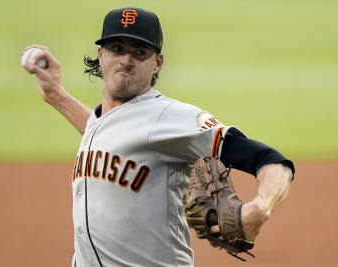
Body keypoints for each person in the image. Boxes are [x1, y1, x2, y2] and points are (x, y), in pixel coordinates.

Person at [22, 7, 295, 267]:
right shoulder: (103, 121)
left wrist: (260, 208)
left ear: (157, 63)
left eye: (139, 52)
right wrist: (55, 94)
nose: (126, 60)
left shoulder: (170, 117)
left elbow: (270, 159)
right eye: (117, 49)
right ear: (100, 54)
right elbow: (109, 133)